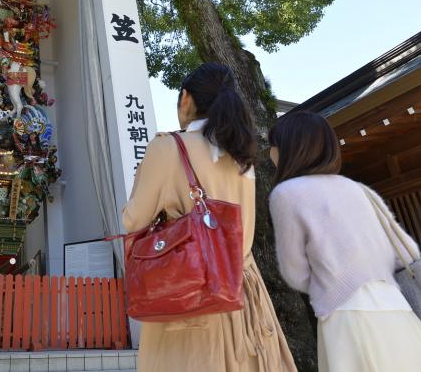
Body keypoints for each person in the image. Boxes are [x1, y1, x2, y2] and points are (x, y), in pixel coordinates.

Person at [122, 63, 296, 372]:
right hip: (244, 293)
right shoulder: (241, 156)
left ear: (185, 98)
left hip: (191, 293)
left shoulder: (167, 148)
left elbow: (133, 220)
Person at [268, 110, 421, 371]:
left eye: (273, 145)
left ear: (288, 149)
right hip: (396, 307)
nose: (270, 152)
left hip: (344, 313)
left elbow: (295, 273)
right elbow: (403, 251)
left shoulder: (285, 193)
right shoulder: (358, 189)